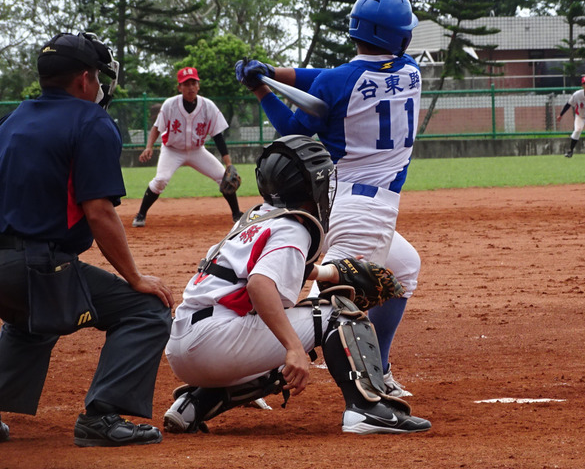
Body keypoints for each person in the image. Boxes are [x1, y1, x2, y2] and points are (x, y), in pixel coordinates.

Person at [162, 135, 431, 435]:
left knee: (281, 344)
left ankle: (194, 403)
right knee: (337, 312)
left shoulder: (257, 217)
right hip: (216, 342)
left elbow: (268, 269)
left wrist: (329, 273)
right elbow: (259, 284)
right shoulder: (293, 227)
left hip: (185, 346)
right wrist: (293, 347)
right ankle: (366, 409)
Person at [234, 0, 422, 397]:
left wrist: (262, 87)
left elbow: (294, 128)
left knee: (404, 268)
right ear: (398, 37)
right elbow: (329, 80)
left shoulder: (339, 82)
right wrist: (271, 74)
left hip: (335, 198)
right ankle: (233, 380)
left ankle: (380, 367)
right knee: (325, 309)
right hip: (364, 211)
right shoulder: (410, 70)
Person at [0, 32, 174, 447]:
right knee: (147, 310)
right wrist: (135, 277)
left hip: (6, 266)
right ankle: (101, 417)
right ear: (84, 79)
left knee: (33, 320)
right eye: (96, 76)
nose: (98, 85)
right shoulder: (91, 121)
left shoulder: (13, 120)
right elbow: (99, 211)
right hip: (37, 267)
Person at [133, 66, 243, 226]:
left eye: (193, 83)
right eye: (186, 84)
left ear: (198, 86)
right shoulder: (170, 104)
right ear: (179, 87)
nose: (190, 87)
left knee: (223, 176)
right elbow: (157, 127)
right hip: (172, 150)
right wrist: (149, 147)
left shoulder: (208, 106)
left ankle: (237, 214)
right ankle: (141, 214)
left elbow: (218, 137)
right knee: (161, 179)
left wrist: (229, 164)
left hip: (197, 151)